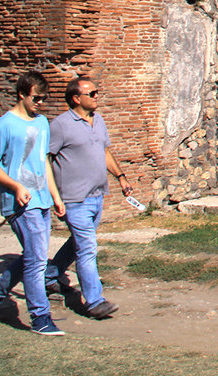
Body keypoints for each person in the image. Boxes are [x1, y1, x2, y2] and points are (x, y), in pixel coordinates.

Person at [44, 76, 131, 319]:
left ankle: (50, 276)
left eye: (96, 92)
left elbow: (103, 151)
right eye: (91, 93)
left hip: (96, 195)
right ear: (76, 98)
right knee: (87, 248)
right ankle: (95, 302)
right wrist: (54, 196)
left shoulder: (98, 120)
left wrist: (121, 177)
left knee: (79, 243)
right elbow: (46, 159)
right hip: (74, 199)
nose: (96, 96)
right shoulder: (60, 125)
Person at [0, 71, 67, 336]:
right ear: (22, 94)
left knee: (32, 256)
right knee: (36, 261)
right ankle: (40, 317)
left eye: (44, 98)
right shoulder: (4, 125)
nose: (40, 103)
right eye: (36, 98)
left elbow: (43, 162)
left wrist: (56, 197)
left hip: (42, 200)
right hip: (20, 203)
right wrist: (15, 187)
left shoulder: (43, 122)